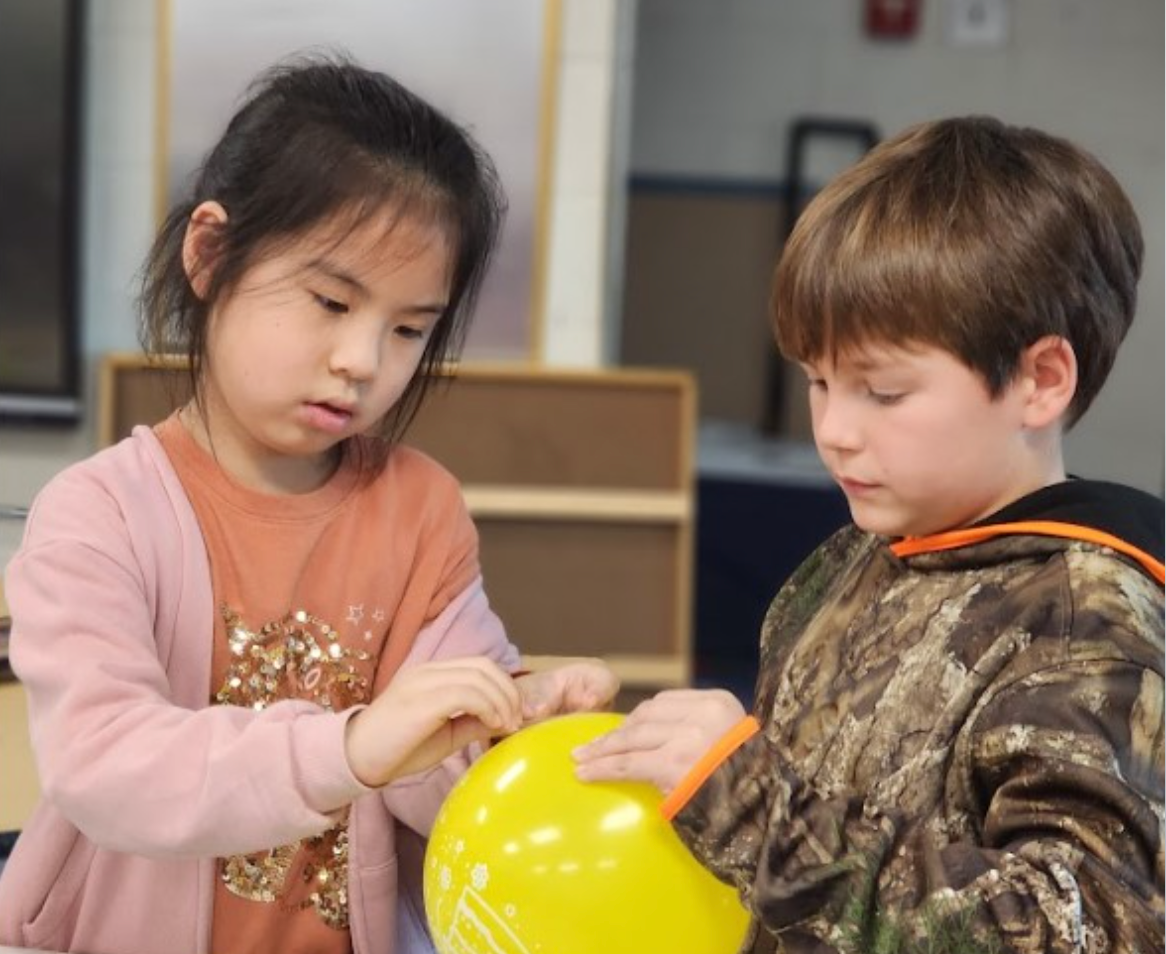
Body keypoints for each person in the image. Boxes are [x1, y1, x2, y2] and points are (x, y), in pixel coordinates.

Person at [0, 55, 618, 954]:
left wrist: (521, 740)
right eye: (331, 301)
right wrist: (352, 747)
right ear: (210, 255)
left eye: (409, 329)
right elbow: (106, 765)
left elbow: (436, 778)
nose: (364, 360)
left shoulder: (420, 510)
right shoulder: (98, 514)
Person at [575, 115, 1164, 953]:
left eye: (882, 392)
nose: (835, 431)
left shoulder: (1085, 627)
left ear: (1040, 380)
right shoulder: (870, 550)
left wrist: (753, 808)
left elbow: (1077, 932)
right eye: (818, 382)